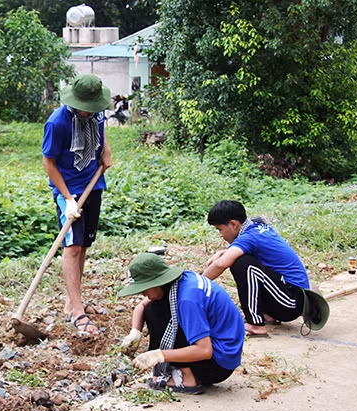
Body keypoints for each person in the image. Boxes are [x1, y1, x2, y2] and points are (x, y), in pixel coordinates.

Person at [42, 74, 113, 335]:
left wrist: (106, 150)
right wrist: (68, 199)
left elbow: (101, 131)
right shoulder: (57, 123)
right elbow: (49, 164)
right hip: (68, 192)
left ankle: (71, 303)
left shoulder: (97, 113)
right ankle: (77, 312)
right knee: (72, 247)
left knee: (84, 245)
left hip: (94, 185)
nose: (93, 111)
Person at [119, 253, 244, 394]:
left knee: (159, 311)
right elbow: (142, 306)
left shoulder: (187, 300)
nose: (143, 294)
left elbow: (205, 350)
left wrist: (160, 355)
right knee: (152, 307)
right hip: (219, 349)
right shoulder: (179, 282)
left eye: (145, 289)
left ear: (157, 282)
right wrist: (135, 332)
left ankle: (187, 378)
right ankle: (179, 369)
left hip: (218, 363)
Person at [202, 200, 309, 336]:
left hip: (291, 303)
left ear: (234, 224)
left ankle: (255, 324)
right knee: (241, 260)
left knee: (242, 264)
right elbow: (232, 252)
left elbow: (220, 264)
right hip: (288, 295)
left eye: (220, 229)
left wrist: (195, 283)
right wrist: (221, 253)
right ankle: (267, 315)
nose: (220, 234)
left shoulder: (249, 237)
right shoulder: (256, 227)